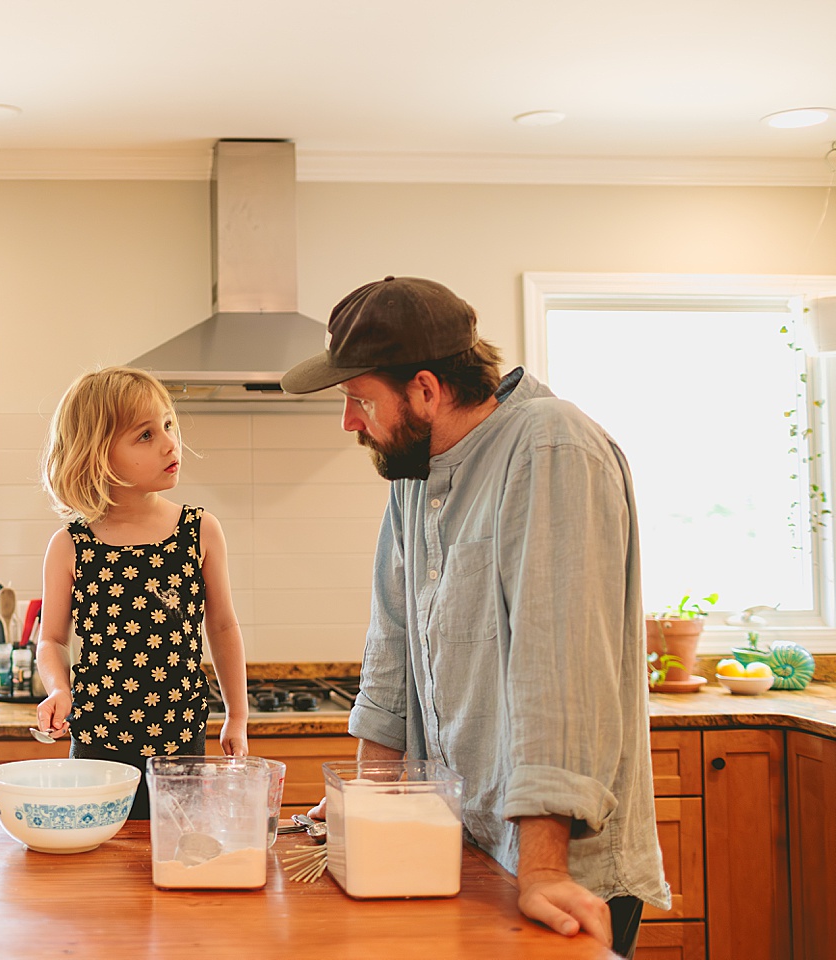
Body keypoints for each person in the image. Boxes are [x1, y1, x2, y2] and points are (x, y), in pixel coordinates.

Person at [281, 276, 668, 958]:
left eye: (359, 398)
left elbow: (561, 674)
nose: (349, 422)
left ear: (427, 391)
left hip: (557, 873)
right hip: (465, 851)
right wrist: (366, 809)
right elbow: (392, 649)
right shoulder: (415, 476)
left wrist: (543, 869)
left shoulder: (552, 449)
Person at [34, 366, 249, 819]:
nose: (171, 442)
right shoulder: (71, 546)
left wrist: (238, 714)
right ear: (96, 455)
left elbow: (223, 625)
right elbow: (51, 640)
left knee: (179, 851)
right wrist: (58, 690)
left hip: (181, 736)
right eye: (146, 435)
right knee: (103, 860)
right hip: (97, 739)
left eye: (168, 424)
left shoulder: (200, 531)